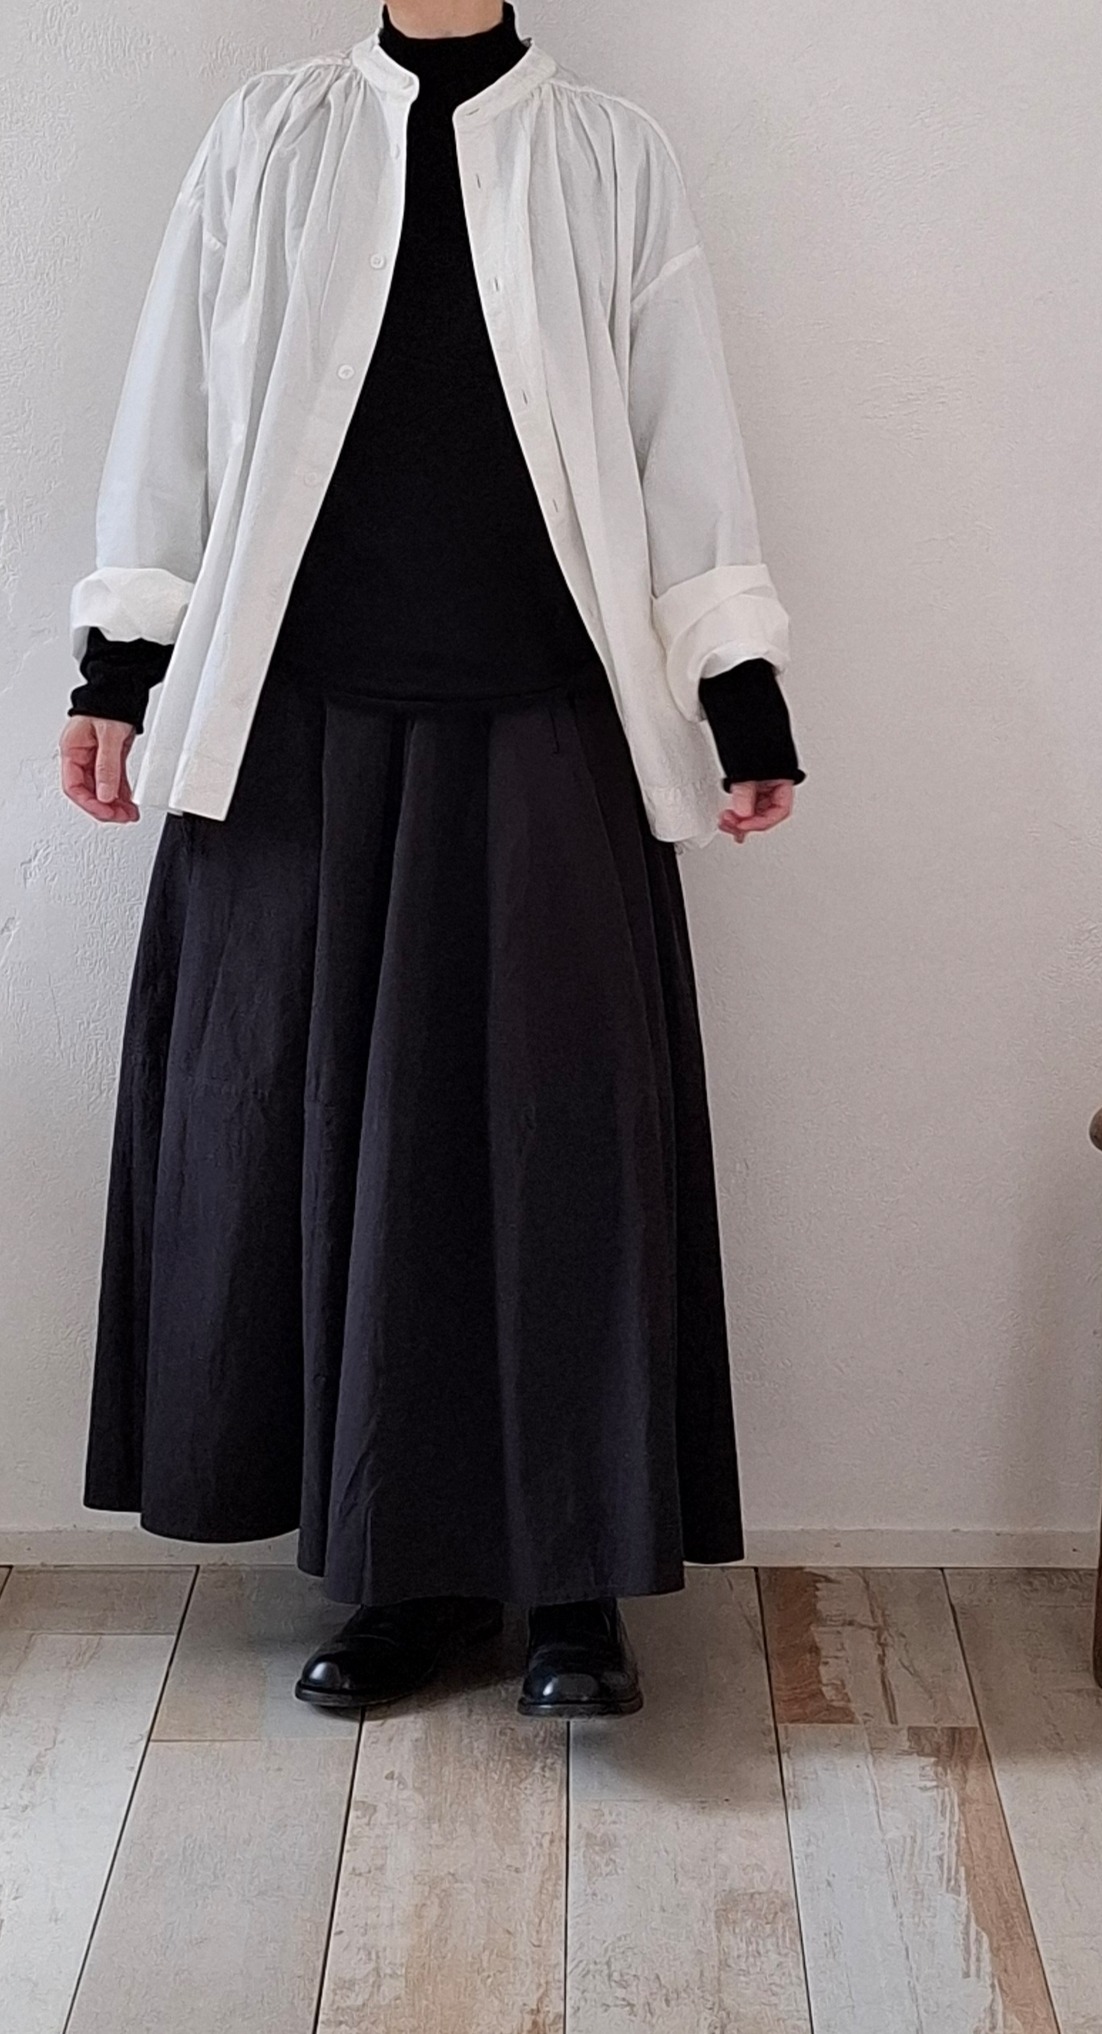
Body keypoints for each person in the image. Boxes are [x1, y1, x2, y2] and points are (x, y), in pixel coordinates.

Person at [61, 0, 803, 1718]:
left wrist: (739, 687)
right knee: (328, 1157)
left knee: (561, 1148)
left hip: (547, 729)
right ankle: (404, 1575)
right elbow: (173, 416)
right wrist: (117, 668)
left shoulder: (609, 155)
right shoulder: (267, 140)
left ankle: (572, 1591)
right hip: (297, 743)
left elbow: (681, 432)